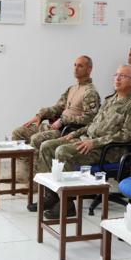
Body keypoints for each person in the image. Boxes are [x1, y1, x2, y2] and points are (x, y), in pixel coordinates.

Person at [36, 65, 131, 219]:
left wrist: (94, 143)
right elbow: (93, 124)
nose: (117, 78)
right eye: (116, 75)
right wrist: (74, 133)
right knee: (47, 146)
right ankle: (53, 196)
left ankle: (67, 205)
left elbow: (125, 135)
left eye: (123, 76)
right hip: (89, 142)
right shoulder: (110, 99)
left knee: (63, 152)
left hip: (108, 150)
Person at [11, 55, 100, 183]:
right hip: (57, 126)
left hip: (69, 131)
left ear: (89, 69)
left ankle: (38, 181)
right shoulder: (72, 88)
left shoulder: (90, 92)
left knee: (36, 139)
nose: (76, 68)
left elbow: (89, 119)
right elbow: (58, 107)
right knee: (18, 132)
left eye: (80, 66)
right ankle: (25, 175)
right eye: (75, 65)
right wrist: (40, 115)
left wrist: (64, 120)